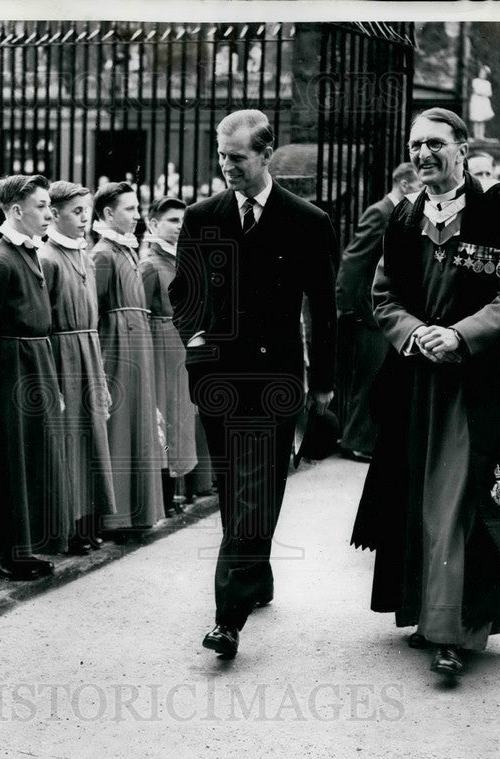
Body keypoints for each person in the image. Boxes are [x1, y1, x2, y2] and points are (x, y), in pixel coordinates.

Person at [350, 108, 500, 680]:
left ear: (463, 146)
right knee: (417, 502)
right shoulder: (404, 220)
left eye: (434, 143)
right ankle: (425, 614)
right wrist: (413, 334)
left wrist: (457, 335)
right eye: (415, 145)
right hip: (417, 385)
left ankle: (453, 630)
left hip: (474, 388)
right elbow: (382, 297)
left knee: (458, 504)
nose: (423, 153)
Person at [169, 109, 338, 658]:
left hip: (275, 379)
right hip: (217, 377)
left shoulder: (309, 221)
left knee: (253, 491)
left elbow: (325, 309)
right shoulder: (203, 216)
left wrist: (325, 387)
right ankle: (256, 577)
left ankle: (227, 617)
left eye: (237, 158)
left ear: (267, 154)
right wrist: (193, 337)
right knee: (237, 489)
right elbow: (183, 294)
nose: (226, 167)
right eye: (220, 156)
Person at [0, 174, 67, 580]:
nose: (50, 213)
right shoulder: (0, 260)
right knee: (8, 462)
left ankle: (22, 548)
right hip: (10, 371)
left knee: (30, 459)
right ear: (15, 211)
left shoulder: (28, 253)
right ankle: (2, 554)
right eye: (42, 206)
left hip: (33, 363)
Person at [38, 181, 117, 554]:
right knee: (68, 443)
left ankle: (85, 522)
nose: (85, 218)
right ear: (53, 215)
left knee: (90, 441)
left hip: (88, 349)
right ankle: (64, 527)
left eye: (87, 211)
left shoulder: (85, 255)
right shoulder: (48, 257)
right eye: (76, 212)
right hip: (64, 354)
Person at [91, 182, 165, 536]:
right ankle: (115, 516)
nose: (137, 216)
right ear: (107, 214)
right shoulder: (104, 254)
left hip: (139, 349)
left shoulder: (129, 250)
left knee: (137, 426)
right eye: (130, 209)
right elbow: (96, 312)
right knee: (120, 428)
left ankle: (137, 512)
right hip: (117, 351)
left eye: (138, 209)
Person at [334, 162, 420, 462]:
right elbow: (354, 259)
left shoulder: (404, 214)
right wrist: (342, 304)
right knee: (368, 377)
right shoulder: (380, 212)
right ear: (406, 184)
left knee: (379, 377)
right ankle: (355, 440)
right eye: (419, 186)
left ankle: (367, 439)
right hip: (368, 312)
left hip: (386, 311)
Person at [140, 196, 199, 514]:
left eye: (182, 221)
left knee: (182, 415)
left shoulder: (183, 259)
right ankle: (167, 493)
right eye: (172, 221)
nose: (180, 227)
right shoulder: (149, 265)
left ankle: (182, 486)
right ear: (153, 224)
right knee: (166, 415)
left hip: (182, 346)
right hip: (160, 347)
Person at [468, 65, 494, 141]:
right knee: (476, 118)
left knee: (482, 119)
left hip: (484, 102)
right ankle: (476, 136)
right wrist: (483, 93)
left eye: (484, 73)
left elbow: (489, 93)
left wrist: (483, 93)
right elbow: (476, 91)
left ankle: (481, 135)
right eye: (481, 72)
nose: (482, 74)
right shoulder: (475, 81)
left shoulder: (487, 83)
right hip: (477, 101)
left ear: (486, 75)